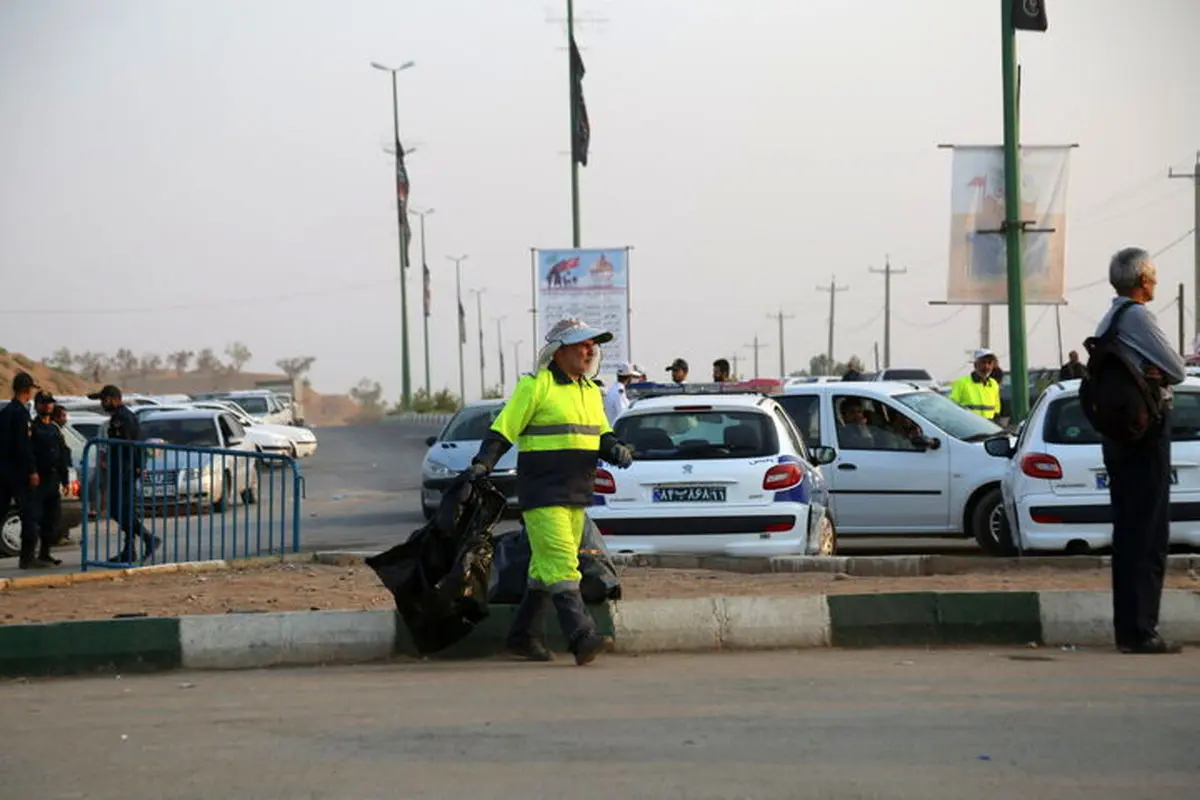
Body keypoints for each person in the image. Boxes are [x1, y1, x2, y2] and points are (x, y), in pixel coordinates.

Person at [459, 318, 633, 666]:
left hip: (577, 493)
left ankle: (523, 636)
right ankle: (581, 636)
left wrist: (615, 449)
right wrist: (483, 463)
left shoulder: (589, 391)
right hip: (543, 493)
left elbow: (600, 433)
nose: (590, 351)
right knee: (564, 566)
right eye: (583, 344)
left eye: (593, 346)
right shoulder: (535, 387)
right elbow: (503, 430)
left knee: (543, 570)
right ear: (560, 350)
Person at [1095, 247, 1185, 654]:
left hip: (1119, 436)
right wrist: (1158, 372)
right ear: (1143, 281)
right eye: (1153, 276)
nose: (1156, 283)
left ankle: (1128, 629)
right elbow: (1178, 369)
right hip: (1146, 434)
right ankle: (1142, 630)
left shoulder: (1108, 319)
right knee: (1149, 534)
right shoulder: (1138, 316)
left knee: (1129, 532)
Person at [89, 384, 157, 563]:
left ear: (115, 399)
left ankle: (148, 539)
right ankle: (129, 550)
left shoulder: (124, 418)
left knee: (120, 510)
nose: (103, 404)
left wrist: (137, 466)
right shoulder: (118, 417)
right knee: (122, 510)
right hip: (118, 468)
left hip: (125, 470)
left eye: (105, 400)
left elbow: (132, 445)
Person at [0, 372, 43, 568]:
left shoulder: (5, 412)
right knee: (29, 515)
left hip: (3, 470)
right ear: (27, 391)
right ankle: (27, 558)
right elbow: (24, 445)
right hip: (19, 471)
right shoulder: (21, 413)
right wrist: (32, 470)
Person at [28, 392, 69, 566]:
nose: (48, 406)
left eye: (50, 403)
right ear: (37, 406)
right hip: (39, 479)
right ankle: (29, 556)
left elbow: (62, 454)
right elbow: (27, 453)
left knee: (52, 519)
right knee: (34, 517)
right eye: (44, 403)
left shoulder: (54, 428)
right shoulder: (32, 427)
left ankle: (45, 553)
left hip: (53, 478)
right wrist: (32, 472)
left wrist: (65, 479)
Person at [949, 349, 1001, 420]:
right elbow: (952, 407)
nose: (986, 367)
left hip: (989, 427)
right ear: (975, 365)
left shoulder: (993, 384)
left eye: (989, 363)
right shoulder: (962, 382)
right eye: (983, 362)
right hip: (969, 426)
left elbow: (996, 408)